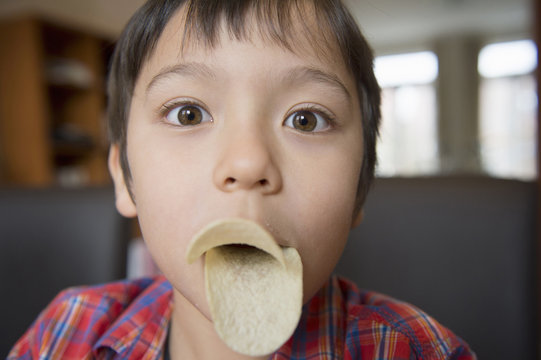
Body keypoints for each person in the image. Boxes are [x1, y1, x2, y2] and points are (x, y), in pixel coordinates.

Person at [8, 0, 476, 358]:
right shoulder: (66, 332)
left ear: (359, 187)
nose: (249, 163)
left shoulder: (415, 349)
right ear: (125, 180)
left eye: (306, 120)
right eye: (188, 113)